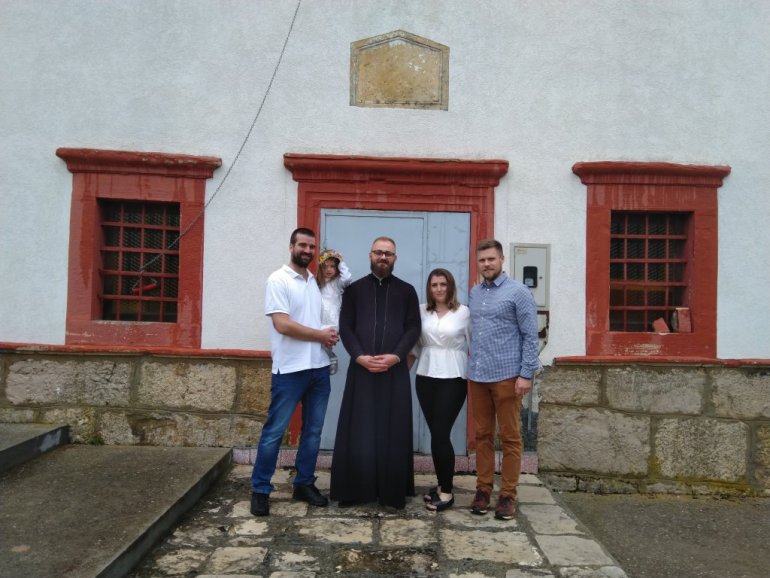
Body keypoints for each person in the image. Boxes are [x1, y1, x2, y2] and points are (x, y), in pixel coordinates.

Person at [250, 227, 339, 517]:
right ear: (291, 247)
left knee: (312, 432)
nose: (307, 251)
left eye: (312, 247)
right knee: (274, 432)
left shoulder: (313, 281)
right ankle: (260, 489)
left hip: (318, 368)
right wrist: (319, 335)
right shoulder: (278, 279)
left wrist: (327, 336)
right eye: (302, 245)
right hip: (289, 370)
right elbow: (282, 324)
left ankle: (303, 483)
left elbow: (312, 319)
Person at [329, 236, 421, 509]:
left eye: (388, 254)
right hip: (362, 370)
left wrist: (396, 356)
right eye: (379, 252)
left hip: (394, 371)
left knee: (394, 429)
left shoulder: (407, 291)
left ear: (395, 258)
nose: (383, 257)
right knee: (360, 429)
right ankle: (355, 490)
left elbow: (413, 328)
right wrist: (359, 356)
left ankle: (392, 493)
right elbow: (346, 326)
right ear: (370, 255)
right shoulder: (354, 291)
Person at [467, 239, 540, 521]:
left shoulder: (518, 292)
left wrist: (525, 374)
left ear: (501, 259)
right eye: (482, 260)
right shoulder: (475, 293)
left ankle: (508, 494)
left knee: (510, 437)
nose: (486, 264)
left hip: (508, 377)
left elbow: (530, 336)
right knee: (482, 435)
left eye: (491, 259)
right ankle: (483, 489)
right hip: (478, 376)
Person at [408, 268, 470, 512]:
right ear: (429, 288)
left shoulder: (464, 312)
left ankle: (447, 492)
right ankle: (442, 483)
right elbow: (414, 346)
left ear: (450, 286)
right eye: (434, 285)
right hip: (425, 376)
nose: (439, 289)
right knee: (436, 434)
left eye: (443, 284)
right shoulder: (421, 310)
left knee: (442, 433)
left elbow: (474, 345)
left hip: (453, 377)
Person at [316, 248, 352, 375]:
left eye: (332, 266)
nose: (329, 269)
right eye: (325, 266)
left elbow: (347, 279)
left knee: (328, 343)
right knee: (318, 345)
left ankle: (330, 357)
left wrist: (341, 262)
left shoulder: (337, 283)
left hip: (333, 320)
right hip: (319, 319)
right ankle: (327, 359)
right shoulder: (316, 283)